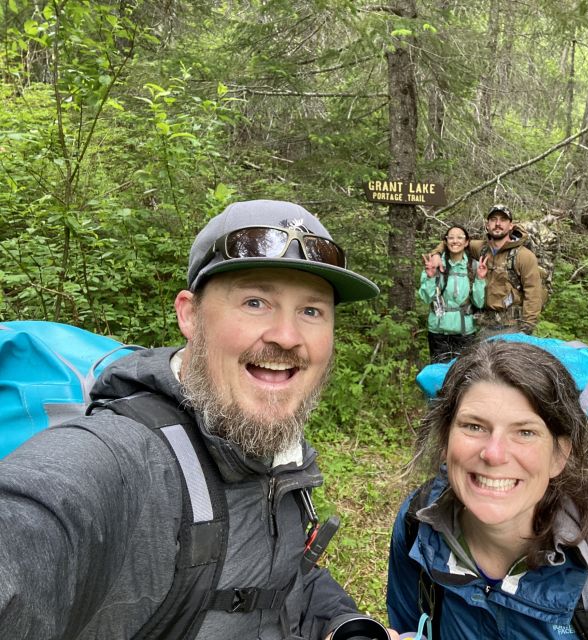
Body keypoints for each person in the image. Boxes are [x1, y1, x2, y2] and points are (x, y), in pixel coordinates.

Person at [0, 200, 399, 640]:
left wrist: (344, 625)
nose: (287, 336)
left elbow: (280, 575)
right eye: (255, 301)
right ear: (189, 314)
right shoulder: (117, 461)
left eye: (311, 311)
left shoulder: (271, 443)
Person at [386, 339, 588, 639]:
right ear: (444, 440)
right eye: (474, 426)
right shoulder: (419, 525)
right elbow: (411, 625)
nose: (494, 454)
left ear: (559, 456)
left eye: (525, 432)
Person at [429, 204, 543, 334]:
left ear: (511, 225)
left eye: (503, 220)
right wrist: (436, 254)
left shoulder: (524, 256)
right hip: (482, 324)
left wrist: (526, 329)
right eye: (493, 219)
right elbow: (453, 241)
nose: (498, 223)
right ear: (487, 225)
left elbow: (533, 293)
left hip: (512, 326)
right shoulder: (480, 248)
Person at [418, 224, 487, 363]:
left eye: (460, 237)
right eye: (451, 238)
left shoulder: (473, 267)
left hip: (465, 331)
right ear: (445, 241)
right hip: (438, 331)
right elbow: (426, 298)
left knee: (464, 375)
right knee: (439, 377)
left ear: (467, 242)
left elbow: (479, 302)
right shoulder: (435, 264)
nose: (455, 241)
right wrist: (431, 277)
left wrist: (479, 279)